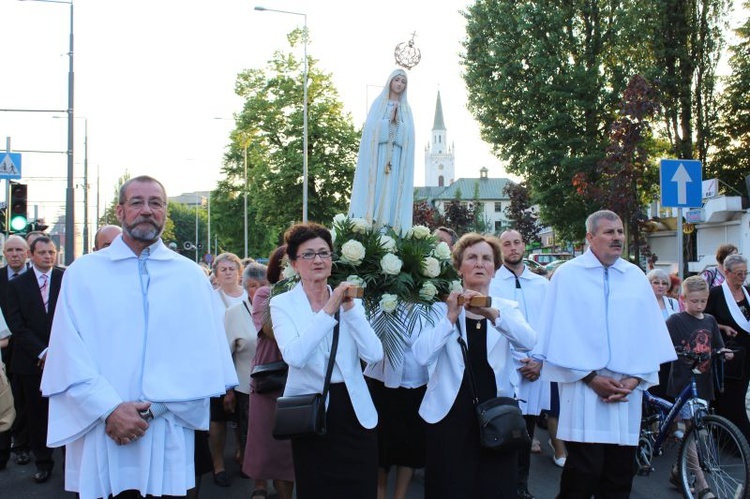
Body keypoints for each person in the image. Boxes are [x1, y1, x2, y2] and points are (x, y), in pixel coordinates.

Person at [40, 175, 237, 499]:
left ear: (164, 214)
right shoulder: (83, 274)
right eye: (137, 202)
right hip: (102, 427)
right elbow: (67, 352)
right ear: (120, 211)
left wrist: (152, 410)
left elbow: (204, 356)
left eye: (156, 203)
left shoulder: (190, 278)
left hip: (165, 426)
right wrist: (110, 410)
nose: (147, 210)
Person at [538, 210, 676, 498]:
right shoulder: (567, 276)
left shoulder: (635, 276)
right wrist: (590, 378)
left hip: (626, 392)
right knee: (583, 473)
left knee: (619, 474)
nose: (617, 238)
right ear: (590, 237)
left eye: (620, 232)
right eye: (609, 232)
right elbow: (557, 335)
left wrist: (636, 379)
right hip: (585, 390)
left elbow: (649, 334)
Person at [413, 233, 537, 499]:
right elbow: (422, 356)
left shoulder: (506, 308)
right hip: (449, 414)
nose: (480, 264)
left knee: (495, 487)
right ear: (459, 266)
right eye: (472, 257)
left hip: (496, 413)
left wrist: (493, 315)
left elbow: (528, 342)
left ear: (494, 268)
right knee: (449, 486)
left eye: (486, 259)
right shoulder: (438, 309)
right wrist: (449, 319)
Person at [271, 223, 384, 498]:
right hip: (312, 411)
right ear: (295, 264)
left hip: (354, 409)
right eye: (308, 254)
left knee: (360, 489)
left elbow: (375, 355)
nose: (318, 260)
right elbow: (295, 356)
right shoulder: (282, 304)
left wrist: (348, 310)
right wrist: (330, 307)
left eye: (324, 253)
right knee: (317, 489)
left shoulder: (351, 302)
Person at [488, 229, 551, 499]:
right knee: (500, 428)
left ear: (524, 245)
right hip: (504, 367)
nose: (513, 248)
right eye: (506, 244)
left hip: (535, 367)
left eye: (517, 242)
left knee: (525, 430)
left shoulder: (542, 284)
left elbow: (550, 326)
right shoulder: (492, 283)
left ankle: (521, 486)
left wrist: (539, 360)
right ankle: (498, 485)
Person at [666, 276, 732, 497]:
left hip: (703, 383)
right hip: (684, 382)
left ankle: (678, 470)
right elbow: (664, 345)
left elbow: (717, 345)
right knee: (693, 431)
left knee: (698, 432)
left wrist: (725, 353)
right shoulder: (675, 320)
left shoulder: (710, 320)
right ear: (683, 299)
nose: (699, 305)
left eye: (703, 301)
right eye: (694, 301)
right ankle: (702, 484)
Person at [6, 236, 63, 484]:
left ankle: (69, 465)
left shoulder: (66, 279)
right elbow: (16, 325)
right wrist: (43, 352)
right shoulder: (18, 285)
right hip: (31, 362)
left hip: (64, 359)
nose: (47, 257)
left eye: (51, 252)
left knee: (64, 413)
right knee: (37, 415)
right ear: (31, 255)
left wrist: (58, 352)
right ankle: (43, 462)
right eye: (42, 253)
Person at [364, 303, 435, 499]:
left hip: (417, 382)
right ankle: (380, 494)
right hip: (382, 381)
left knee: (410, 446)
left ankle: (400, 496)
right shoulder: (381, 296)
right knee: (381, 445)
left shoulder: (430, 300)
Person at [243, 247, 294, 499]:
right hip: (269, 374)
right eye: (288, 264)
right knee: (264, 438)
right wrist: (288, 292)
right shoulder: (264, 293)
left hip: (299, 375)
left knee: (288, 448)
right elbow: (273, 331)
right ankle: (259, 487)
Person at [349, 68, 415, 235]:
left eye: (403, 82)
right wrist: (387, 122)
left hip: (397, 161)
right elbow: (370, 131)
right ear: (390, 81)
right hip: (378, 159)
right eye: (397, 80)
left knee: (392, 194)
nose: (400, 84)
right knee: (376, 192)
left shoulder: (406, 109)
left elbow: (409, 137)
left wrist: (398, 123)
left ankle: (390, 230)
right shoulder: (379, 104)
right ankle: (370, 228)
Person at [222, 262, 266, 473]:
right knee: (248, 431)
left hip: (277, 383)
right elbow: (226, 353)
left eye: (263, 285)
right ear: (246, 286)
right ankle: (252, 472)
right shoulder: (234, 313)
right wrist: (228, 389)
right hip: (245, 386)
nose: (258, 290)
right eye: (252, 285)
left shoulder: (278, 308)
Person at [209, 252, 247, 487]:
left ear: (239, 272)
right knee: (218, 418)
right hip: (217, 364)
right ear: (215, 274)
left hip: (243, 363)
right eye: (222, 269)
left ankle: (243, 455)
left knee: (243, 417)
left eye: (231, 269)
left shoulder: (247, 297)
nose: (227, 273)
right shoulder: (209, 298)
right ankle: (218, 464)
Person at [705, 253, 750, 439]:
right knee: (729, 397)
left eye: (745, 273)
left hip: (746, 353)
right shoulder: (715, 294)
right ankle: (731, 439)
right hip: (727, 353)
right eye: (738, 273)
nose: (742, 277)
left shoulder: (748, 291)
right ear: (726, 272)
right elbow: (705, 319)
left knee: (742, 395)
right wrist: (722, 327)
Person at [0, 235, 30, 469]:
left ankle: (28, 445)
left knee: (28, 401)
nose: (14, 254)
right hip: (3, 350)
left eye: (19, 249)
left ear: (27, 252)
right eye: (10, 250)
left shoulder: (37, 277)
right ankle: (18, 445)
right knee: (11, 404)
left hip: (29, 349)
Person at [647, 268, 681, 400]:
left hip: (669, 350)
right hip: (652, 351)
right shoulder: (644, 303)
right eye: (656, 282)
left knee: (668, 386)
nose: (660, 286)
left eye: (664, 283)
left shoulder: (673, 303)